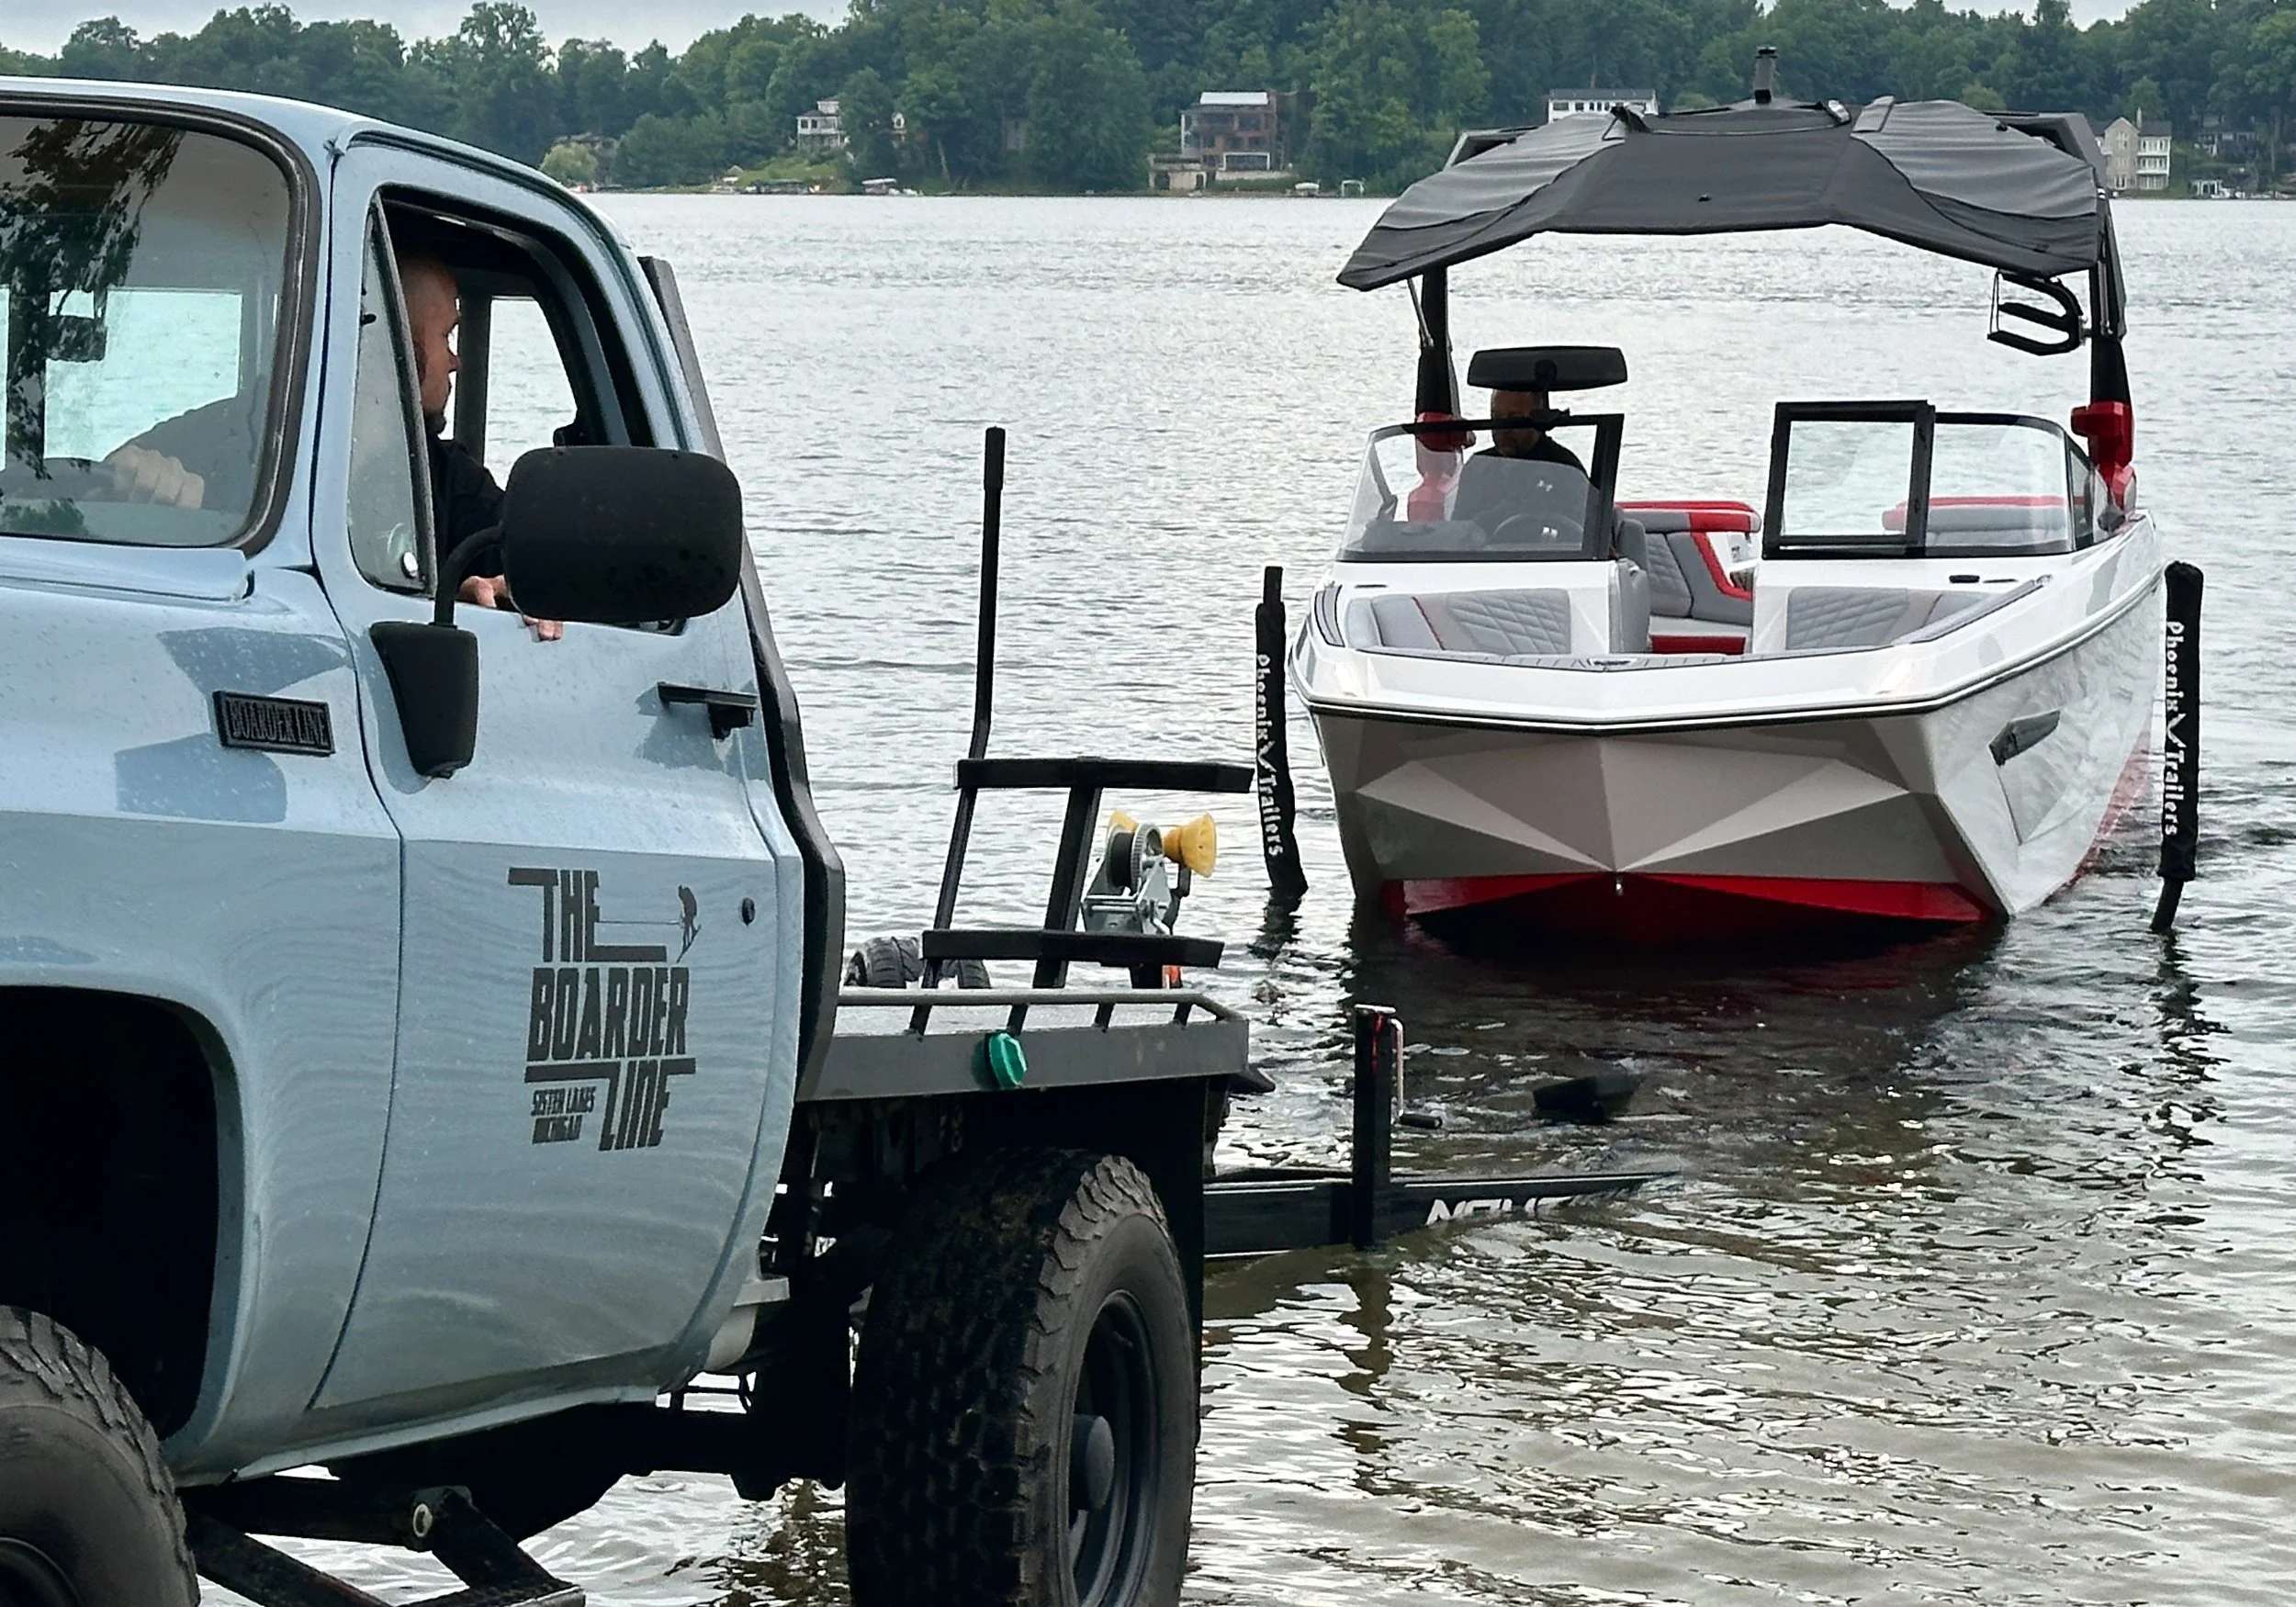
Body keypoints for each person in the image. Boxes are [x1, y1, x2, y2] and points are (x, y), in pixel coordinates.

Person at [397, 250, 560, 641]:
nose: (455, 361)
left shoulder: (450, 477)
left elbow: (531, 569)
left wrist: (485, 592)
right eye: (446, 336)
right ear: (402, 346)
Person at [1447, 385, 1590, 538]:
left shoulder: (1566, 470)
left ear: (1537, 419)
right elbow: (1459, 535)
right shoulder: (1478, 466)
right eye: (1496, 417)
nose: (1503, 428)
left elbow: (1585, 535)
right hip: (1486, 559)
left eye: (1514, 418)